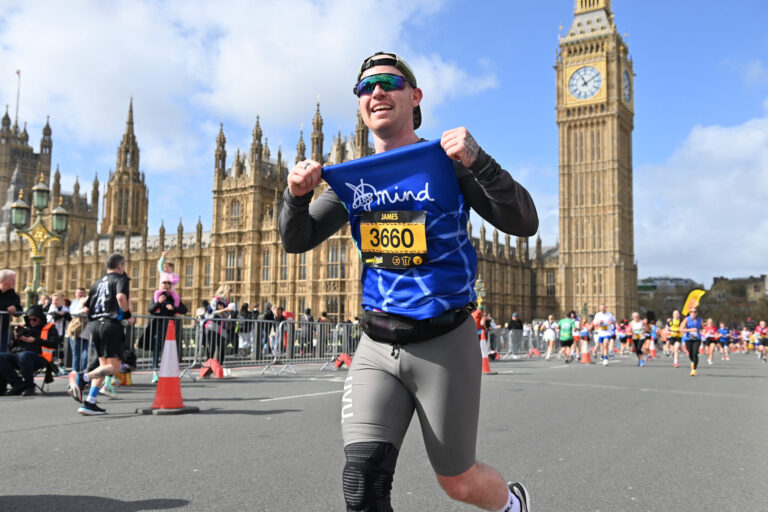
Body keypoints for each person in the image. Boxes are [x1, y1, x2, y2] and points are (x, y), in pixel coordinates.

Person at [280, 52, 536, 512]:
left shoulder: (447, 162)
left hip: (443, 341)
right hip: (376, 344)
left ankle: (511, 504)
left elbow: (524, 222)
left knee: (457, 482)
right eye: (365, 87)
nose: (376, 92)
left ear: (414, 97)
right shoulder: (353, 178)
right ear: (360, 105)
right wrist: (295, 197)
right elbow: (297, 240)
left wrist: (482, 162)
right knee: (361, 484)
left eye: (388, 82)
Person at [70, 253, 134, 415]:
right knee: (114, 366)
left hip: (94, 325)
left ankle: (89, 402)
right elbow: (120, 296)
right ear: (120, 266)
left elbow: (86, 307)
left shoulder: (97, 282)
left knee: (103, 366)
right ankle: (82, 378)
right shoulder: (121, 279)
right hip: (110, 325)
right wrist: (127, 314)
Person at [0, 305, 59, 396]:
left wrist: (35, 340)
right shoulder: (23, 328)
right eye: (29, 319)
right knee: (1, 356)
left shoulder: (49, 327)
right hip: (19, 355)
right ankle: (18, 384)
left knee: (24, 355)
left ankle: (29, 386)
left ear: (40, 318)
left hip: (39, 357)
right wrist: (15, 338)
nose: (31, 322)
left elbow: (54, 343)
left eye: (34, 319)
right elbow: (11, 347)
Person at [146, 278, 188, 383]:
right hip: (158, 327)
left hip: (170, 328)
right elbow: (150, 309)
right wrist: (159, 302)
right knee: (156, 350)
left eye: (168, 285)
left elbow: (184, 310)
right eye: (164, 285)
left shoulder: (174, 298)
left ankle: (168, 373)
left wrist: (174, 308)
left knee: (169, 351)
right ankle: (155, 373)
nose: (166, 287)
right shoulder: (156, 297)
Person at [66, 288, 89, 391]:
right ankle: (79, 376)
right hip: (79, 332)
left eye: (82, 293)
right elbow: (72, 313)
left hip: (82, 332)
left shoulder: (83, 303)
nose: (81, 294)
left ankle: (81, 375)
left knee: (82, 354)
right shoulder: (76, 303)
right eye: (79, 292)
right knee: (79, 354)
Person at [46, 292, 71, 374]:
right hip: (52, 332)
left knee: (61, 349)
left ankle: (61, 365)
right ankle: (53, 367)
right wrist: (62, 314)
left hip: (61, 332)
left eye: (57, 300)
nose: (55, 302)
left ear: (62, 301)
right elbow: (55, 317)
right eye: (53, 300)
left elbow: (69, 317)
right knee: (52, 350)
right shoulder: (52, 307)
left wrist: (62, 314)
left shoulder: (64, 308)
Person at [0, 269, 22, 354]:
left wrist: (15, 309)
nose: (15, 282)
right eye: (12, 279)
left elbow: (20, 310)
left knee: (2, 353)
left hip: (4, 328)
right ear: (3, 280)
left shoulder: (14, 295)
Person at [680, 307, 703, 377]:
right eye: (691, 312)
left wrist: (703, 331)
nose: (693, 313)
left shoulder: (700, 320)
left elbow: (702, 328)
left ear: (697, 313)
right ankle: (693, 361)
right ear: (689, 313)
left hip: (697, 339)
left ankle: (694, 369)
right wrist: (691, 330)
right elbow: (681, 329)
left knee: (695, 353)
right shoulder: (687, 319)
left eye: (695, 312)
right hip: (688, 339)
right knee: (690, 353)